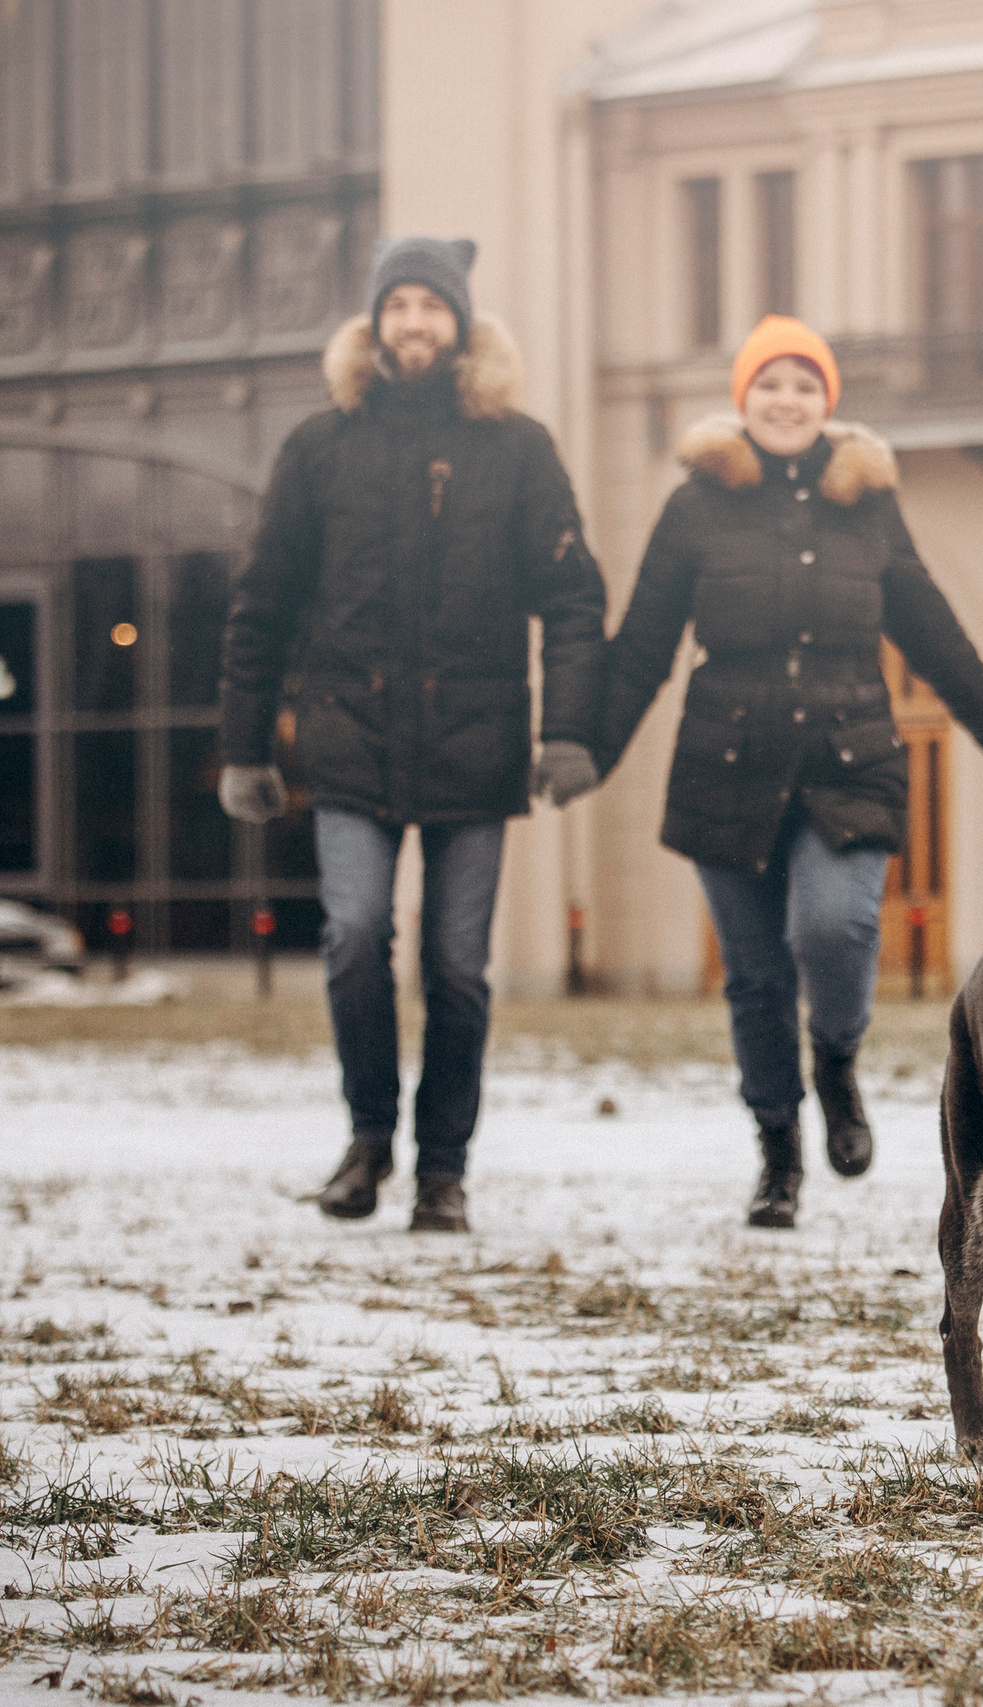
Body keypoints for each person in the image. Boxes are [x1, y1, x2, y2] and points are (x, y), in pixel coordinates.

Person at [599, 315, 983, 1230]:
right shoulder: (695, 507)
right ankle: (778, 1154)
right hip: (727, 766)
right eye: (771, 384)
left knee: (834, 929)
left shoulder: (867, 504)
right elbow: (642, 641)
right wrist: (584, 745)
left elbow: (932, 629)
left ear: (827, 404)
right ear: (744, 399)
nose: (787, 400)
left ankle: (836, 1059)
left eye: (805, 385)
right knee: (755, 978)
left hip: (850, 762)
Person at [217, 235, 607, 1234]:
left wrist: (568, 731)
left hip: (475, 749)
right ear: (375, 323)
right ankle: (366, 1141)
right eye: (399, 308)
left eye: (433, 308)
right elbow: (261, 603)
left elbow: (570, 596)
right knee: (353, 939)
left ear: (461, 324)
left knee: (457, 967)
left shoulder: (517, 448)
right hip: (350, 742)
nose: (415, 325)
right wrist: (245, 745)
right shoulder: (320, 447)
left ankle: (443, 1170)